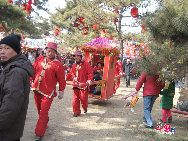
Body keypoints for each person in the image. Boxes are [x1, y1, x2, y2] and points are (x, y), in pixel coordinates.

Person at [0, 34, 34, 141]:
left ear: (15, 51)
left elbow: (11, 106)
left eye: (7, 48)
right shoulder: (9, 66)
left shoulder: (16, 72)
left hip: (6, 132)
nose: (2, 51)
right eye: (0, 48)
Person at [31, 42, 66, 141]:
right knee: (39, 110)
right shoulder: (39, 59)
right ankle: (44, 122)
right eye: (48, 51)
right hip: (37, 89)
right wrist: (30, 80)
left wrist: (61, 90)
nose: (49, 53)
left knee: (43, 112)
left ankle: (39, 133)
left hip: (48, 92)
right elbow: (32, 70)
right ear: (45, 50)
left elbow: (62, 79)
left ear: (55, 53)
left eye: (52, 51)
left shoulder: (58, 64)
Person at [71, 50, 93, 117]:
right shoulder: (74, 65)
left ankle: (84, 107)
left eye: (78, 56)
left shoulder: (86, 64)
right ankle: (76, 112)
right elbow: (72, 73)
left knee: (83, 99)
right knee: (75, 99)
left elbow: (90, 72)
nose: (76, 57)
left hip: (83, 85)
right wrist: (70, 77)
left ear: (81, 56)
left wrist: (89, 80)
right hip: (76, 84)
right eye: (75, 56)